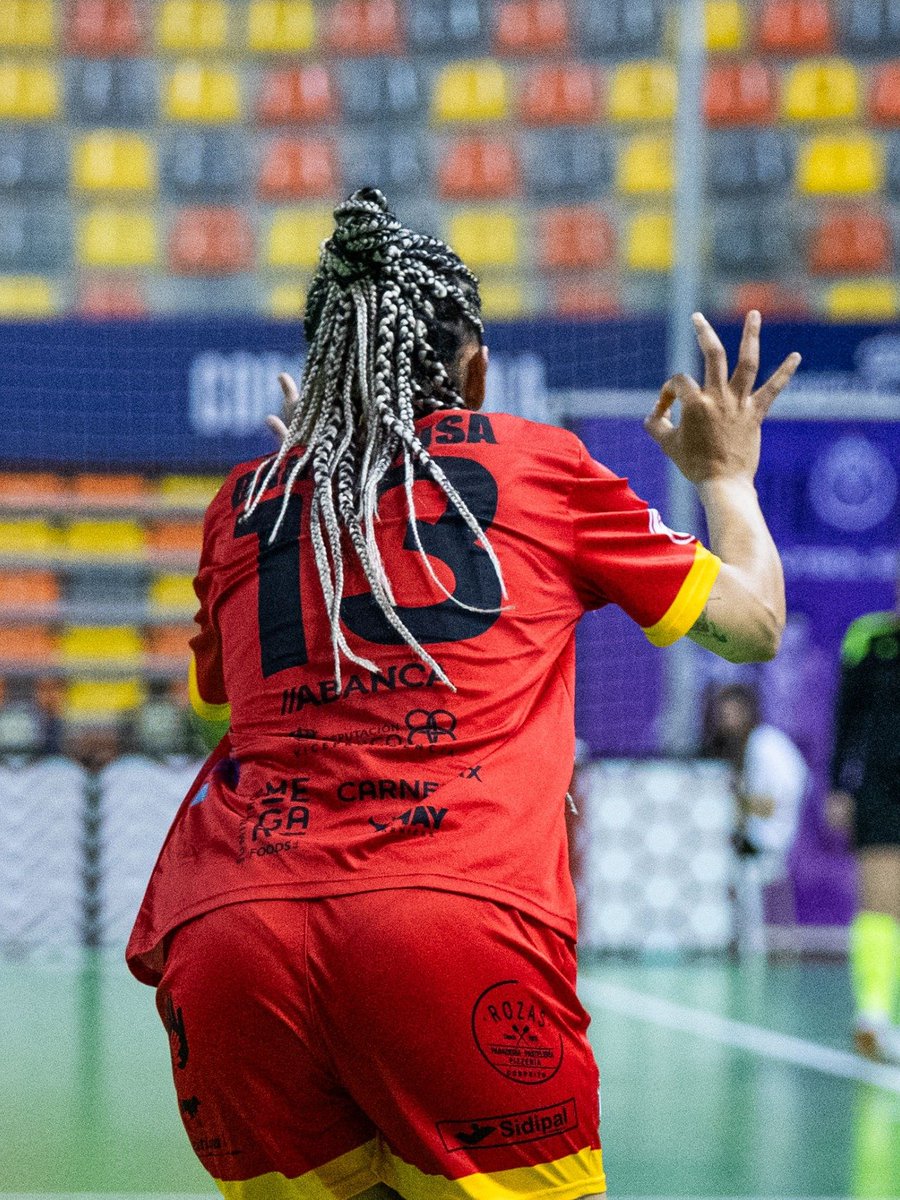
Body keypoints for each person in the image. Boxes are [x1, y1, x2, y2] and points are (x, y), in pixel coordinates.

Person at [126, 189, 801, 1200]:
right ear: (475, 369)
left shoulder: (245, 501)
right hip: (451, 924)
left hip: (233, 938)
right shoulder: (540, 466)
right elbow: (752, 625)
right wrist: (729, 477)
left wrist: (313, 495)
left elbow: (220, 711)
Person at [827, 599, 900, 1064]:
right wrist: (839, 787)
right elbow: (846, 717)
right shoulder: (868, 638)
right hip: (881, 788)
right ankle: (873, 1017)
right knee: (880, 899)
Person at [701, 682, 808, 956]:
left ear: (747, 711)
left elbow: (771, 805)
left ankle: (747, 944)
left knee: (720, 865)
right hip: (756, 837)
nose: (726, 720)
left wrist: (730, 803)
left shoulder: (765, 745)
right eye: (722, 714)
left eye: (732, 713)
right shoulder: (749, 746)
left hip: (767, 840)